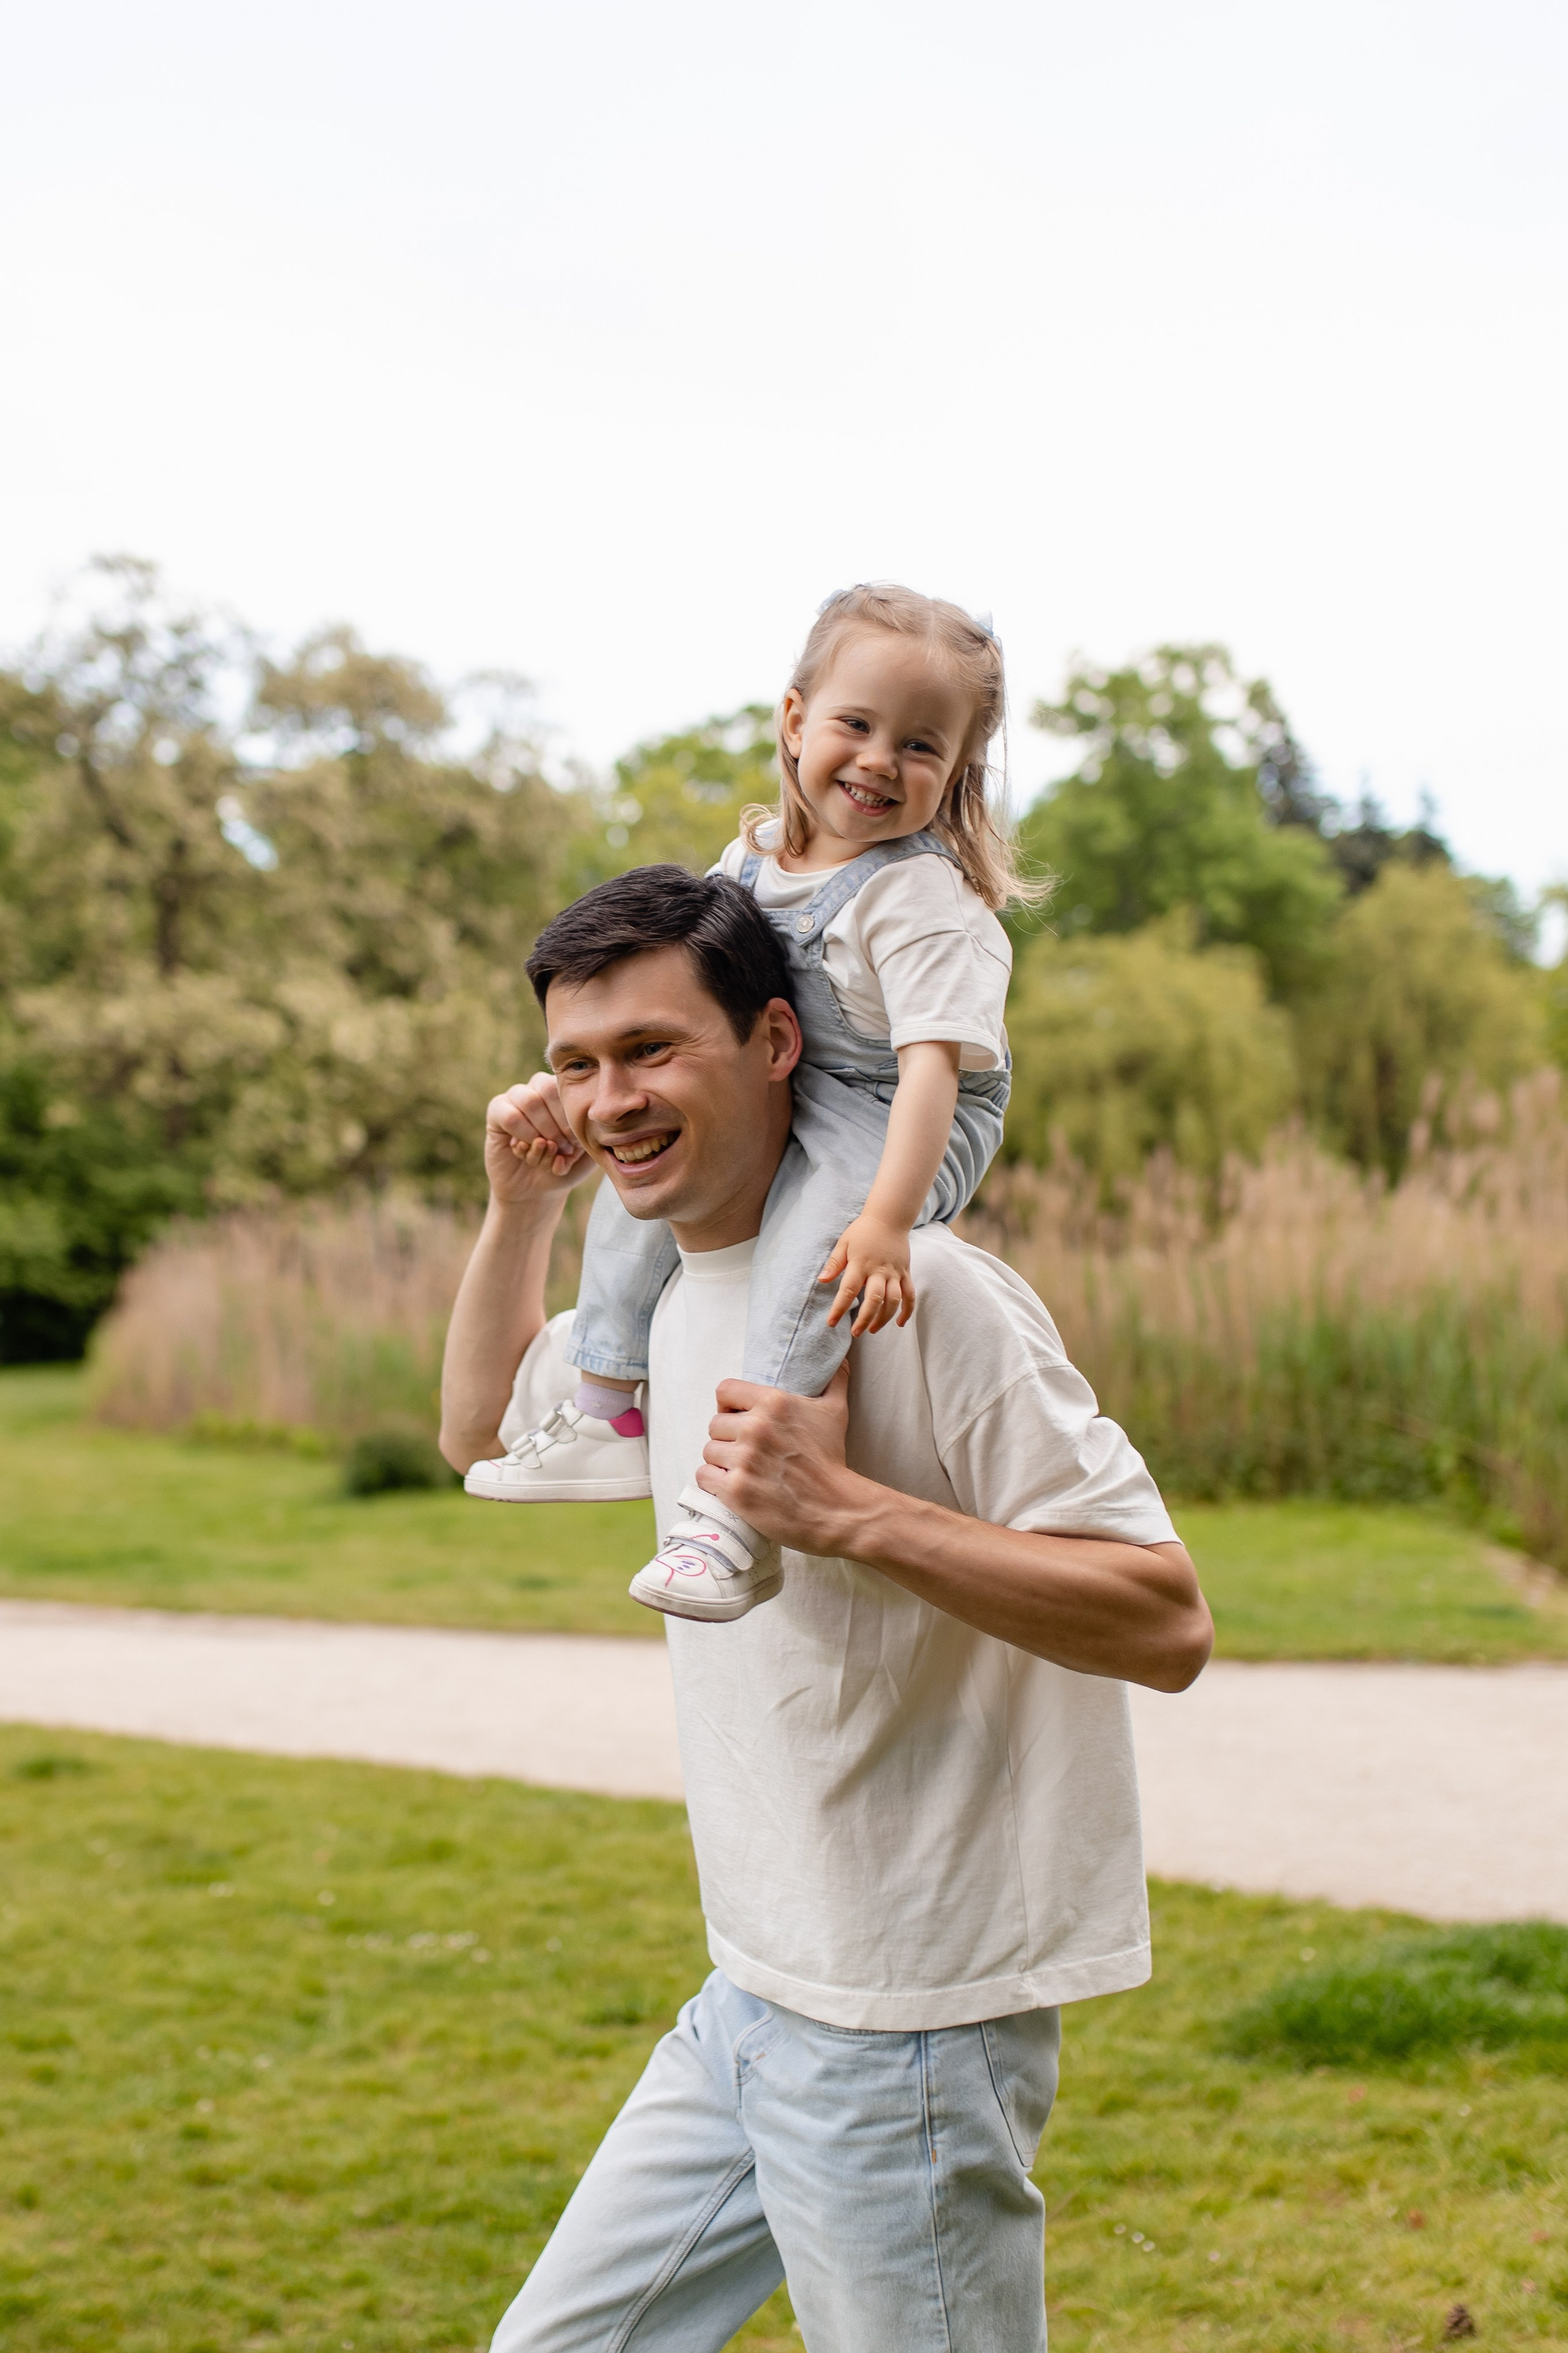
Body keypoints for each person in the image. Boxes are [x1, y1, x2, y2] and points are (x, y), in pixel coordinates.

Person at [439, 867, 1213, 2352]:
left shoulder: (927, 1292)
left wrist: (850, 1514)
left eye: (653, 1050)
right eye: (577, 1063)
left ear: (779, 1043)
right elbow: (477, 1433)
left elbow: (1163, 1618)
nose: (610, 1100)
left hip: (904, 2019)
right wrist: (514, 1211)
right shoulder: (667, 1295)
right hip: (751, 1986)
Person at [462, 584, 1045, 1625]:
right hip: (809, 1083)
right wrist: (591, 1087)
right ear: (794, 721)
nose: (877, 760)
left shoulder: (919, 900)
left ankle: (736, 1515)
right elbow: (682, 1009)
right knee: (640, 1198)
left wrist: (883, 1219)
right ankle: (605, 1408)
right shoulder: (752, 862)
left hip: (904, 1115)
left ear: (957, 774)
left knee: (808, 1259)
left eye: (920, 746)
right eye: (855, 724)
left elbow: (932, 1074)